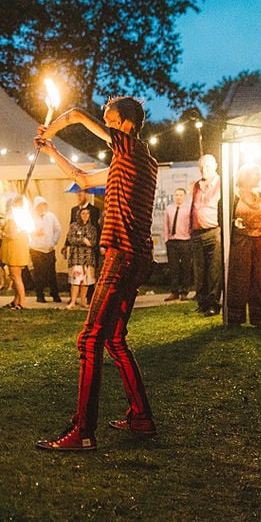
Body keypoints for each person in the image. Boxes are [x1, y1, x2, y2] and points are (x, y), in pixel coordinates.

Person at [33, 96, 158, 452]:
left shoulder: (133, 151)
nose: (108, 127)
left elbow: (75, 115)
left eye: (112, 120)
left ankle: (83, 431)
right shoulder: (129, 162)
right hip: (137, 257)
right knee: (115, 339)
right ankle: (141, 416)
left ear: (128, 125)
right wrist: (51, 147)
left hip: (122, 256)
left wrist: (55, 125)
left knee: (89, 340)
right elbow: (83, 179)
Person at [225, 164, 261, 328]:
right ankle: (235, 318)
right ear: (245, 176)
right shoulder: (232, 196)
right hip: (242, 242)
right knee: (240, 279)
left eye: (258, 174)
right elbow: (225, 220)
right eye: (255, 174)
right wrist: (235, 222)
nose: (258, 177)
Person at [190, 153, 223, 316]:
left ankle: (213, 303)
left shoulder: (221, 183)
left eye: (207, 166)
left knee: (214, 269)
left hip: (213, 230)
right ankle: (202, 302)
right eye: (201, 166)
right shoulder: (196, 185)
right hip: (197, 232)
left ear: (215, 166)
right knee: (199, 269)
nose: (203, 169)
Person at [0, 195, 30, 311]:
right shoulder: (18, 218)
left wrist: (3, 234)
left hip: (15, 250)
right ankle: (16, 300)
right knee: (14, 276)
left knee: (16, 276)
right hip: (15, 248)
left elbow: (14, 235)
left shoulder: (16, 219)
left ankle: (22, 302)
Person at [162, 187, 193, 301]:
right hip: (172, 242)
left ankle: (184, 292)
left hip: (185, 241)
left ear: (185, 196)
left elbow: (192, 224)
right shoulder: (169, 208)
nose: (178, 197)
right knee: (173, 268)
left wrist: (190, 238)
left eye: (180, 195)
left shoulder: (189, 208)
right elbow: (166, 225)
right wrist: (166, 240)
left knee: (186, 267)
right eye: (176, 195)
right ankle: (174, 292)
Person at [29, 196, 62, 303]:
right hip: (36, 249)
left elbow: (58, 229)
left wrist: (53, 242)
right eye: (39, 205)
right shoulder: (31, 218)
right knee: (39, 273)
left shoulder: (51, 216)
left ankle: (55, 293)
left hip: (49, 249)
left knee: (51, 273)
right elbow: (26, 232)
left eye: (43, 205)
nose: (42, 207)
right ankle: (40, 294)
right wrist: (35, 233)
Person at [65, 206, 98, 309]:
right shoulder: (74, 226)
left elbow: (93, 242)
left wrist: (88, 243)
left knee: (86, 281)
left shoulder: (92, 228)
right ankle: (73, 301)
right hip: (76, 257)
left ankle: (83, 301)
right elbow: (70, 239)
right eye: (83, 214)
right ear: (79, 215)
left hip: (88, 258)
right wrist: (82, 240)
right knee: (76, 281)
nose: (85, 216)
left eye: (87, 214)